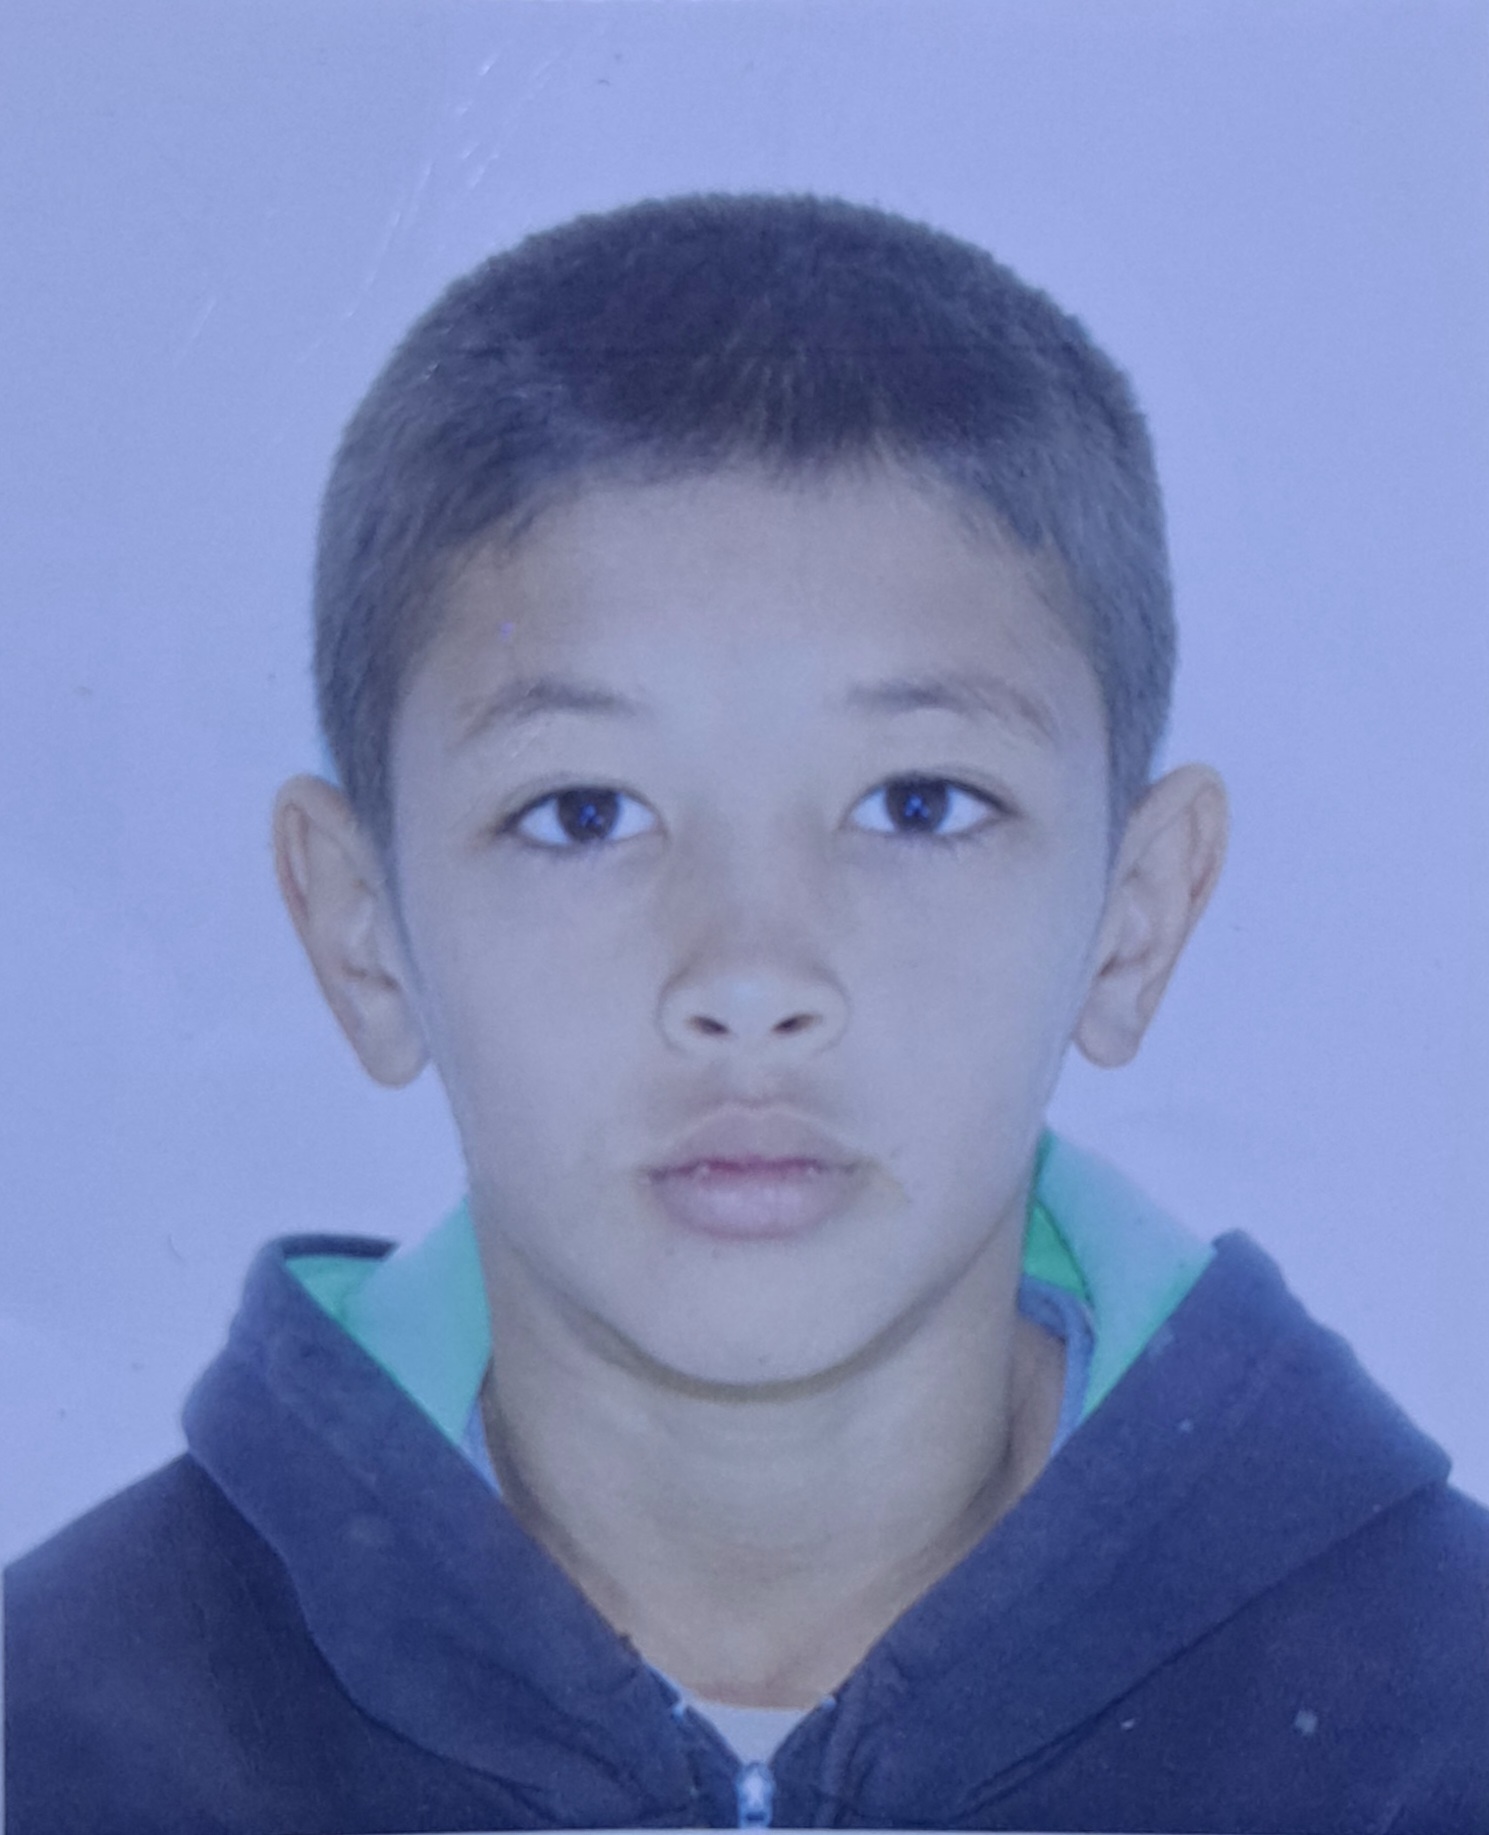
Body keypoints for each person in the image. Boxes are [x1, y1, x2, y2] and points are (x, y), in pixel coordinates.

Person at [6, 192, 1486, 1835]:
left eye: (916, 804)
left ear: (1133, 918)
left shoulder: (1438, 1725)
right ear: (364, 936)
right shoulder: (62, 1746)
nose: (748, 978)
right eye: (584, 812)